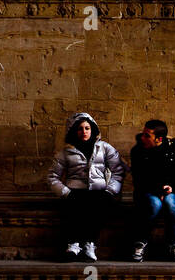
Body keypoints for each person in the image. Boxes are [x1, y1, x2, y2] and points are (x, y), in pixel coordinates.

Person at [47, 112, 125, 262]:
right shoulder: (65, 152)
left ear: (93, 129)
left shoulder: (104, 148)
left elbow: (118, 171)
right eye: (80, 128)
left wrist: (110, 191)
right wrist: (65, 192)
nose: (84, 132)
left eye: (87, 128)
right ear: (74, 131)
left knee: (99, 206)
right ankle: (74, 244)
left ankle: (90, 243)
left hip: (99, 191)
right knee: (77, 207)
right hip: (75, 191)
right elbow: (52, 177)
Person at [129, 119, 175, 262]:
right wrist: (157, 190)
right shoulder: (138, 152)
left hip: (168, 191)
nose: (142, 138)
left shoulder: (173, 152)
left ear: (159, 139)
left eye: (147, 135)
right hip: (147, 191)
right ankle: (140, 242)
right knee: (154, 205)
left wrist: (172, 187)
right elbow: (139, 179)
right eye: (143, 134)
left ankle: (174, 242)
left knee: (172, 205)